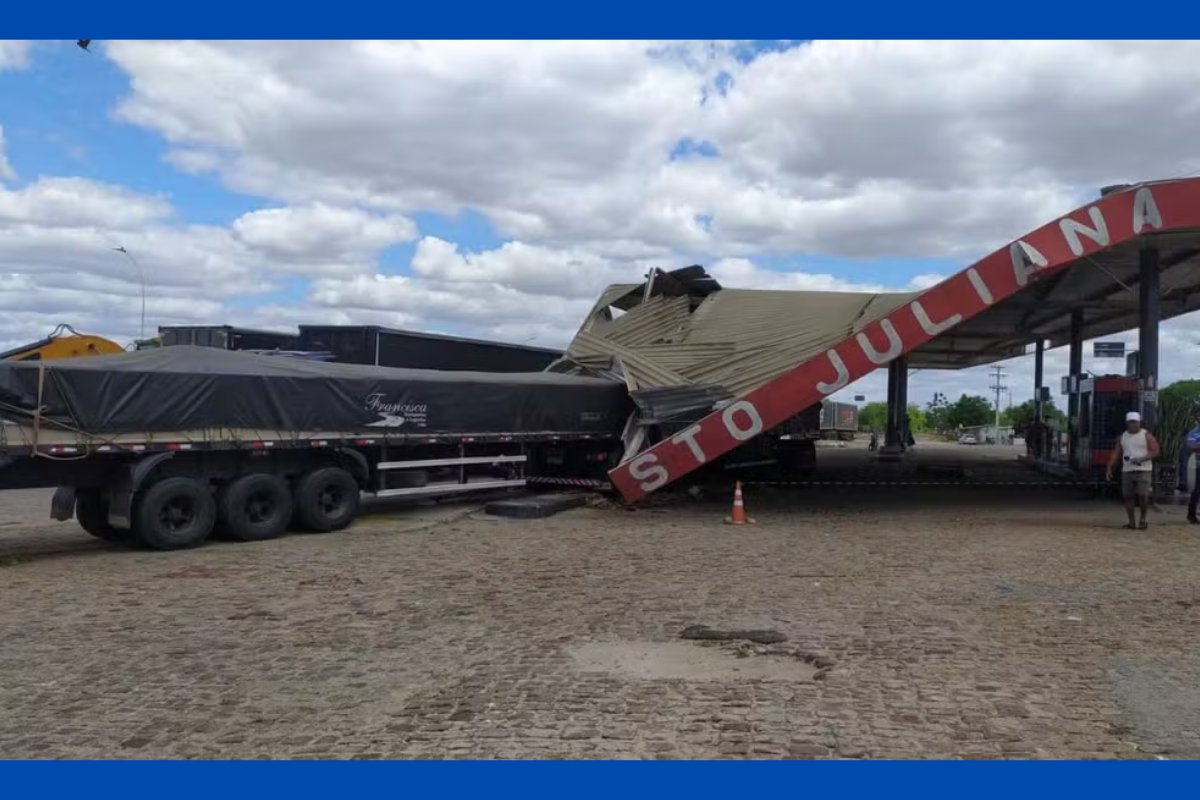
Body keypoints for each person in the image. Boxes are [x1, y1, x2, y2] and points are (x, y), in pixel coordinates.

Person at [1106, 411, 1160, 530]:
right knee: (1127, 496)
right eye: (1130, 422)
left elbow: (1155, 450)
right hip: (1128, 469)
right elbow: (1116, 453)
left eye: (1135, 422)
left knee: (1143, 494)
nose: (1133, 425)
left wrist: (1142, 458)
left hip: (1143, 468)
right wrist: (1110, 467)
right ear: (1127, 423)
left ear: (1139, 422)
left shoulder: (1146, 435)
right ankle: (1131, 521)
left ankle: (1143, 518)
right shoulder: (1123, 437)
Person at [1185, 420, 1200, 524]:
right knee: (1197, 490)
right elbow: (1191, 447)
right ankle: (1191, 515)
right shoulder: (1194, 432)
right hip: (1198, 464)